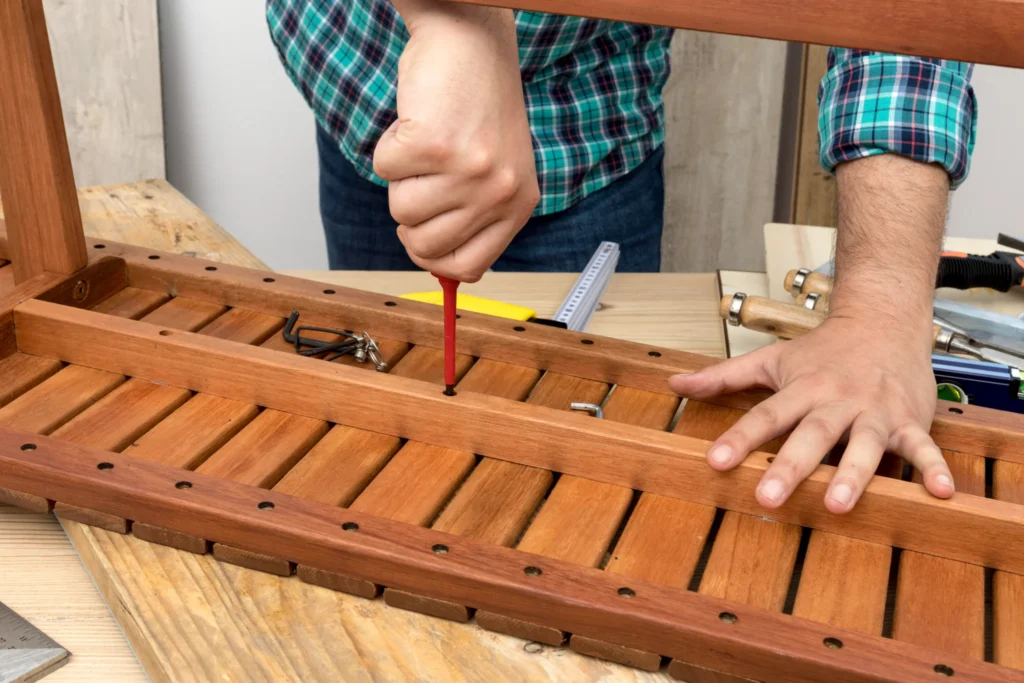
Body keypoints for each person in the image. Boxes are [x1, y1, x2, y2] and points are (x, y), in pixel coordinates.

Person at [265, 0, 978, 514]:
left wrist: (884, 300)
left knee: (560, 506)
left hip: (580, 116)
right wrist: (459, 16)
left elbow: (906, 25)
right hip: (352, 68)